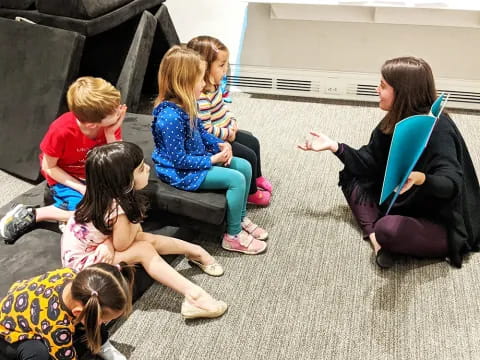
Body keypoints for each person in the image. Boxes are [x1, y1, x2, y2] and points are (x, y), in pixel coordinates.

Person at [298, 56, 480, 268]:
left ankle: (379, 234)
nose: (377, 90)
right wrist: (335, 147)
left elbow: (451, 183)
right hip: (405, 198)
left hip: (439, 218)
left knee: (388, 229)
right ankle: (378, 243)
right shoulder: (395, 120)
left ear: (402, 93)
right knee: (350, 175)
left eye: (383, 86)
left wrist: (421, 178)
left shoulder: (439, 129)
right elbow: (368, 161)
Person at [61, 141, 227, 319]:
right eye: (140, 169)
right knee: (144, 248)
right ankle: (195, 297)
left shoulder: (104, 196)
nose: (148, 168)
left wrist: (108, 241)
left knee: (144, 238)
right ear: (123, 180)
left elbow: (132, 235)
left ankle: (195, 251)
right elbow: (123, 244)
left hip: (92, 249)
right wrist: (110, 242)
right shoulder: (118, 209)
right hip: (83, 266)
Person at [151, 45, 268, 255]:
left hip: (198, 157)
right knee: (237, 179)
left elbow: (202, 132)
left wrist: (220, 145)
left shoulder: (188, 103)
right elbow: (179, 161)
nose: (205, 84)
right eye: (200, 80)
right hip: (181, 172)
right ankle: (232, 236)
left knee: (245, 166)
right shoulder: (169, 118)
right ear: (183, 83)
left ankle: (240, 219)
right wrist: (213, 159)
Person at [0, 76, 126, 243]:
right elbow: (49, 167)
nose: (120, 110)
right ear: (91, 124)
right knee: (90, 213)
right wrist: (81, 188)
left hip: (93, 172)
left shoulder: (108, 125)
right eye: (114, 110)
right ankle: (35, 214)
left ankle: (71, 213)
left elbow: (117, 160)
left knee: (122, 202)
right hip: (65, 176)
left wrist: (111, 134)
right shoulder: (61, 130)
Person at [186, 36, 273, 206]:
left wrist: (232, 121)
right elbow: (205, 129)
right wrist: (228, 134)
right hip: (215, 141)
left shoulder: (215, 86)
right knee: (248, 156)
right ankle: (252, 193)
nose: (225, 69)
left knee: (253, 142)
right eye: (221, 65)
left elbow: (223, 108)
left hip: (227, 132)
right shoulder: (201, 98)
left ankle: (257, 177)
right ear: (203, 68)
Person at [0, 263, 134, 360]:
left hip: (34, 306)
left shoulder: (77, 279)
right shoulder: (57, 326)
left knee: (93, 320)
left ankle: (102, 345)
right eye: (105, 320)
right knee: (38, 353)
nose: (105, 323)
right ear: (77, 312)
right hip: (10, 332)